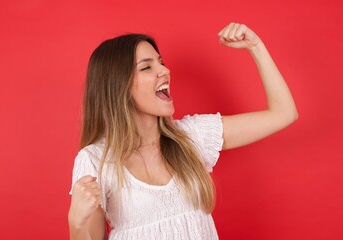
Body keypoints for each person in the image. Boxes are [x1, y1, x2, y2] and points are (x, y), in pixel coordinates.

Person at [68, 22, 298, 240]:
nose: (165, 70)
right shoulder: (96, 160)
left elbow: (283, 113)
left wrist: (256, 47)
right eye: (147, 67)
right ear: (118, 87)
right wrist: (76, 223)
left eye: (161, 62)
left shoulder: (192, 137)